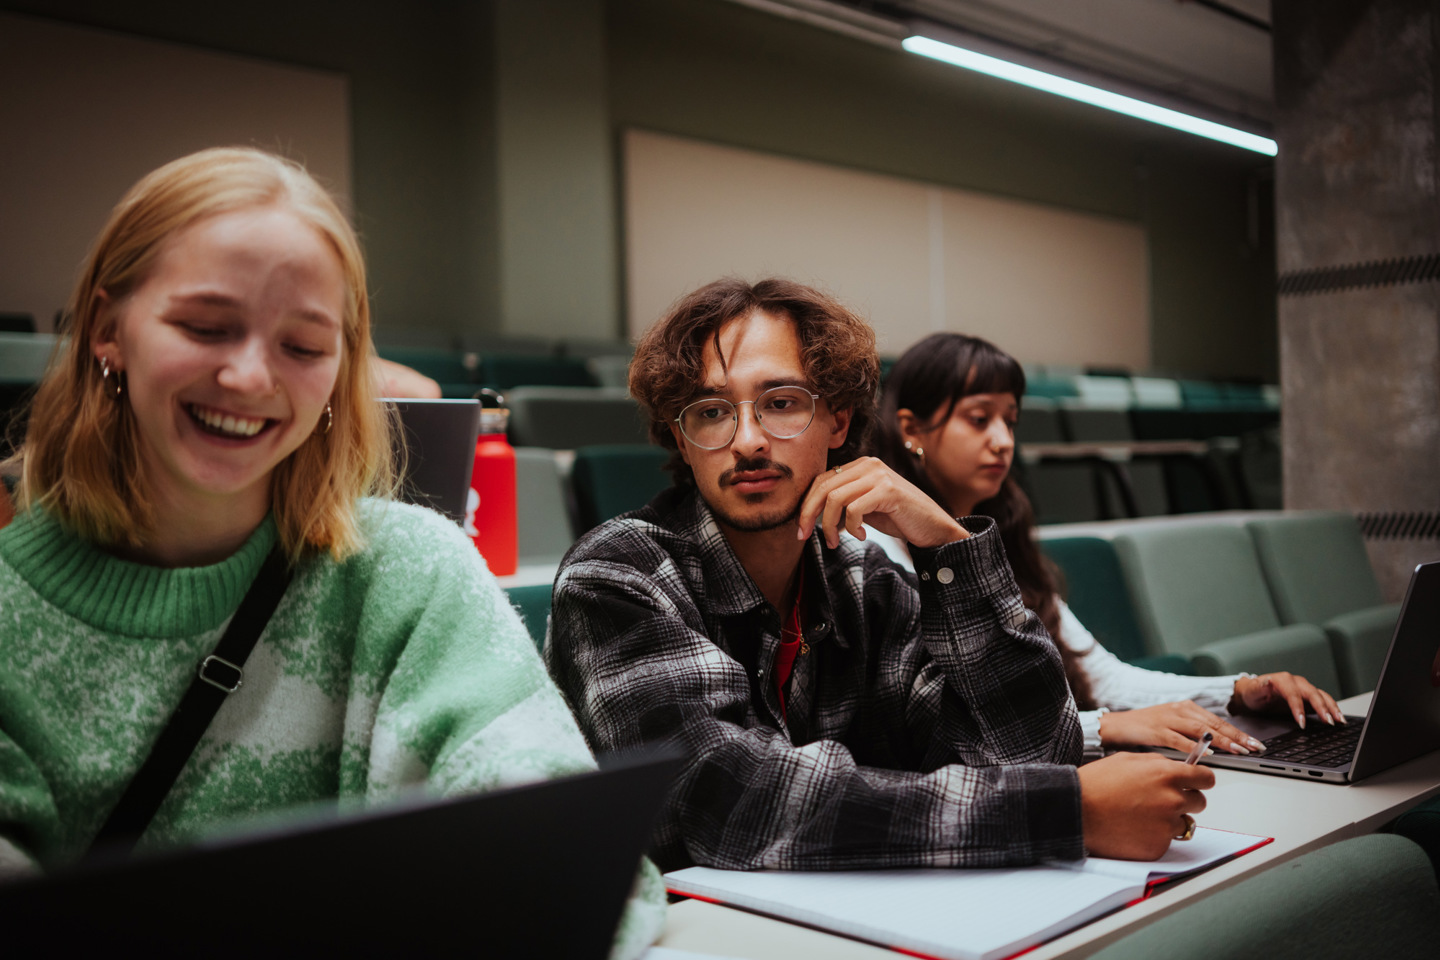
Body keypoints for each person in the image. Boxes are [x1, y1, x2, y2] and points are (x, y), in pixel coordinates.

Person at [0, 148, 660, 957]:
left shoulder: (415, 571)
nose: (248, 376)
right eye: (205, 327)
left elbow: (568, 864)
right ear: (108, 329)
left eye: (304, 347)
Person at [546, 277, 1213, 872]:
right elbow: (734, 807)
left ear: (837, 419)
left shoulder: (863, 582)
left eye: (780, 403)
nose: (747, 439)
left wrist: (949, 546)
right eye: (712, 412)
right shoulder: (618, 576)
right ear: (681, 438)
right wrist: (1062, 813)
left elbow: (1028, 751)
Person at [871, 332, 1343, 760]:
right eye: (979, 419)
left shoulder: (999, 532)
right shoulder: (876, 552)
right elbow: (946, 729)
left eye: (1010, 421)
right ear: (912, 429)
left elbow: (1101, 676)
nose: (1003, 441)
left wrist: (1240, 692)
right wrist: (1108, 728)